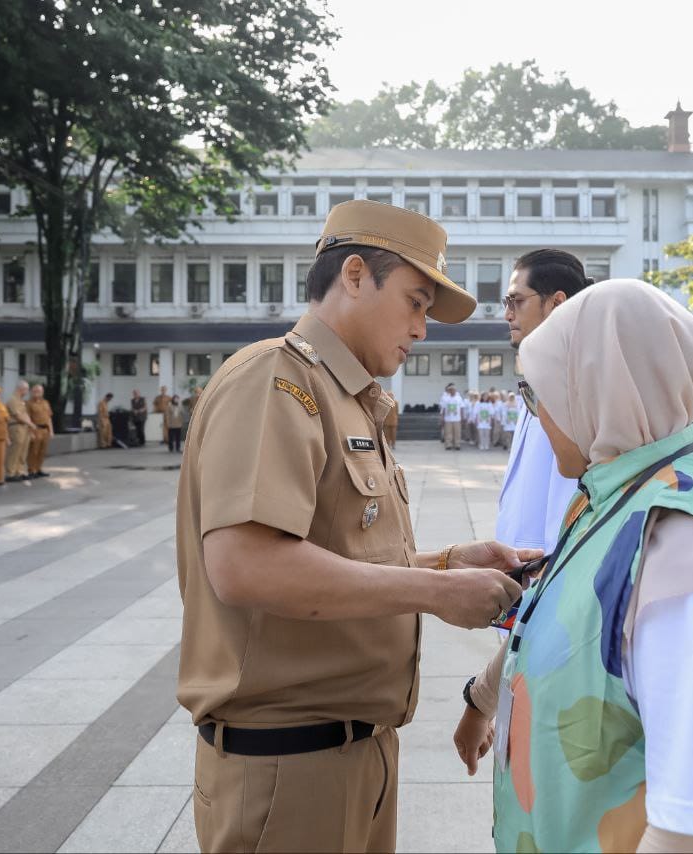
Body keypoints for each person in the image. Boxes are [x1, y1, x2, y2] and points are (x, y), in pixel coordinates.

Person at [176, 199, 534, 853]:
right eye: (416, 302)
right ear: (356, 275)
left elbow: (333, 560)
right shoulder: (277, 383)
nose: (422, 329)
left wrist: (451, 563)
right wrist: (437, 594)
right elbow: (246, 564)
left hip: (355, 754)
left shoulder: (349, 400)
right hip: (289, 769)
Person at [452, 279, 693, 853]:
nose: (536, 417)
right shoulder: (616, 494)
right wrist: (481, 700)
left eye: (538, 394)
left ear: (598, 389)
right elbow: (571, 618)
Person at [497, 248, 595, 558]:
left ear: (557, 303)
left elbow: (572, 495)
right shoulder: (539, 374)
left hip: (549, 568)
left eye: (517, 301)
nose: (507, 314)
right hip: (520, 568)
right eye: (506, 303)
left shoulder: (583, 385)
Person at [5, 381, 34, 481]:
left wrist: (30, 424)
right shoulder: (13, 400)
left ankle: (19, 471)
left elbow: (25, 414)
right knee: (15, 450)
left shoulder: (21, 400)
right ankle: (10, 473)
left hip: (24, 427)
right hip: (16, 426)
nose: (27, 391)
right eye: (26, 389)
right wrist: (30, 424)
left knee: (23, 450)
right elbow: (18, 416)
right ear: (20, 389)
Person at [26, 384, 54, 477]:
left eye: (40, 391)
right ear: (32, 392)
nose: (38, 393)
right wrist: (30, 432)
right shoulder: (29, 403)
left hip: (45, 429)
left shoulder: (45, 402)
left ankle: (39, 469)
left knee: (43, 451)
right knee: (34, 451)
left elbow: (49, 417)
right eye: (36, 391)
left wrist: (51, 431)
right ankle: (32, 470)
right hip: (36, 429)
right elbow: (28, 418)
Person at [439, 383, 463, 450]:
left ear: (455, 390)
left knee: (457, 432)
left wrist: (462, 417)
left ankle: (457, 445)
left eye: (453, 390)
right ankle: (448, 445)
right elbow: (443, 408)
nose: (452, 391)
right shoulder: (445, 398)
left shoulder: (459, 398)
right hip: (448, 418)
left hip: (457, 418)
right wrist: (442, 417)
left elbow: (461, 408)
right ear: (449, 391)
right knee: (448, 432)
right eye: (450, 390)